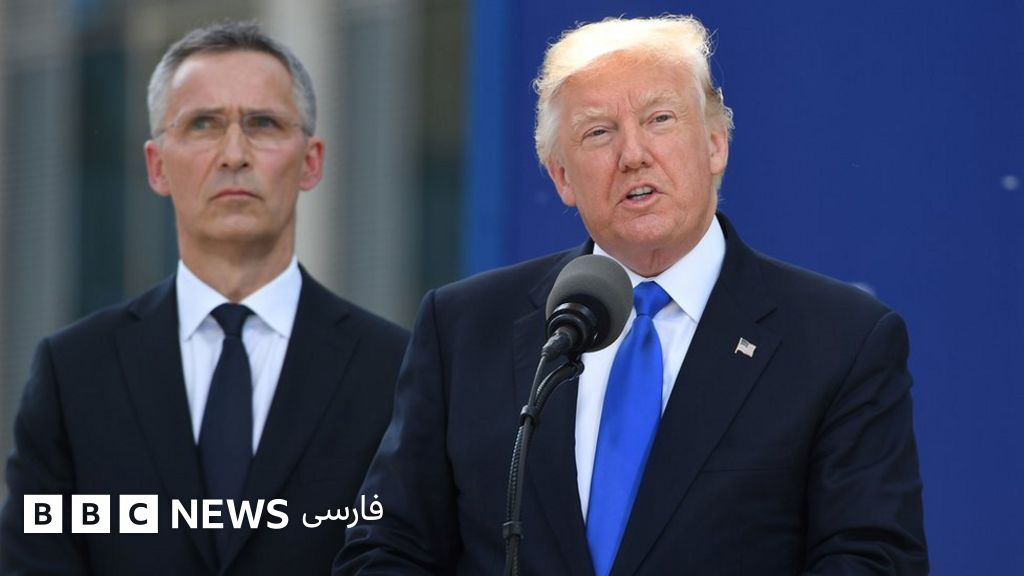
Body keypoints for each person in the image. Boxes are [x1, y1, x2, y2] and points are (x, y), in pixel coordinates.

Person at [336, 15, 927, 575]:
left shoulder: (839, 340)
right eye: (598, 132)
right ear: (562, 178)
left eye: (660, 119)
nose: (633, 154)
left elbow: (871, 558)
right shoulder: (464, 328)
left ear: (716, 144)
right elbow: (386, 548)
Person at [1, 21, 408, 575]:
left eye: (263, 123)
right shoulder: (74, 374)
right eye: (203, 124)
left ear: (311, 161)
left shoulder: (395, 373)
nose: (234, 154)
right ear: (156, 165)